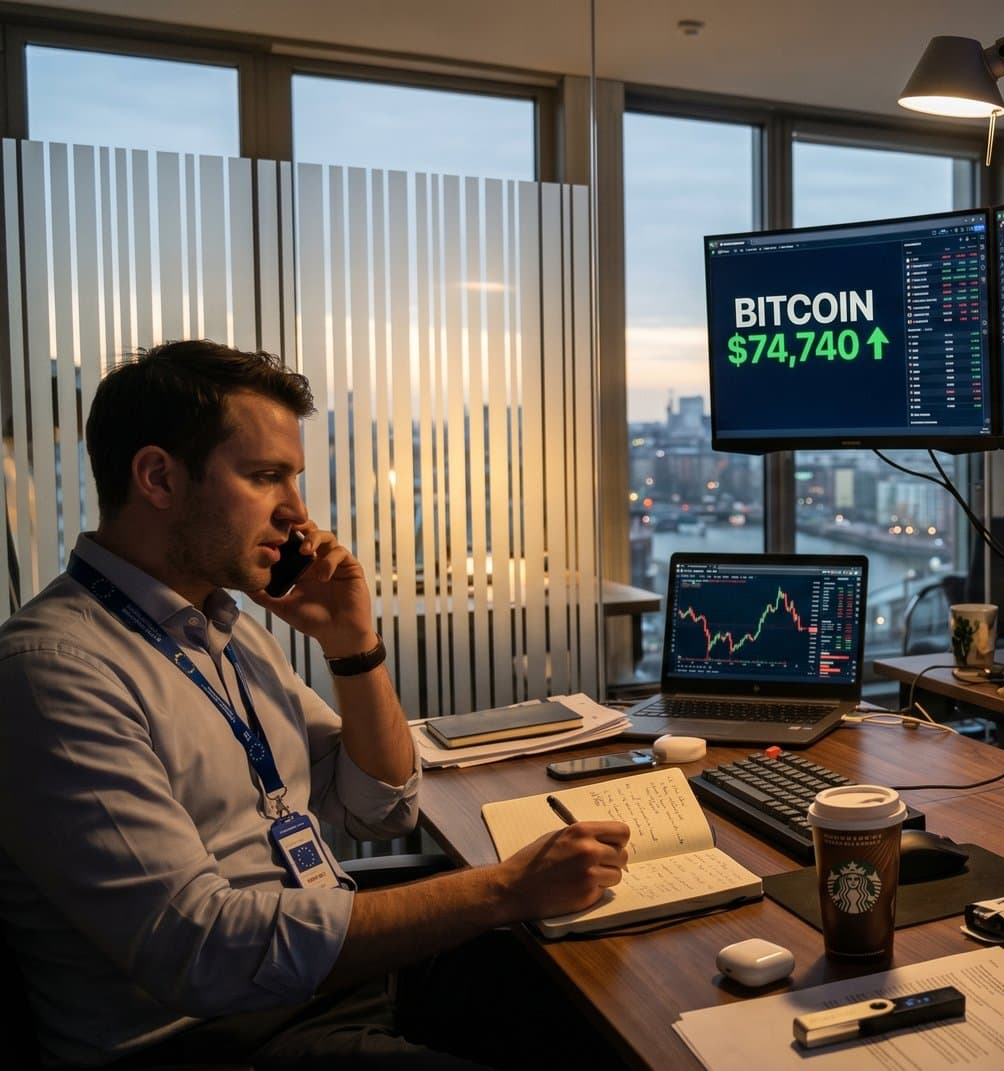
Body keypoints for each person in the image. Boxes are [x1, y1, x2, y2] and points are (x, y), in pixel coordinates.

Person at [0, 341, 631, 1067]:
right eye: (267, 476)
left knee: (606, 993)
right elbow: (201, 950)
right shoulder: (54, 672)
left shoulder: (224, 632)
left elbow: (378, 806)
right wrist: (503, 888)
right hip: (215, 1035)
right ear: (157, 477)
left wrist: (352, 643)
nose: (298, 512)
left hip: (326, 982)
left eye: (293, 478)